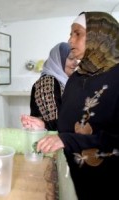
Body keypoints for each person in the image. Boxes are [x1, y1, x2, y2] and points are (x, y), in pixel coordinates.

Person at [30, 12, 119, 199]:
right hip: (77, 180)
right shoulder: (77, 78)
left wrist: (67, 140)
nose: (70, 40)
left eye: (77, 33)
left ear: (98, 36)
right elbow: (68, 124)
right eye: (71, 33)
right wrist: (46, 126)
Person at [21, 42, 77, 131]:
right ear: (59, 60)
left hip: (59, 138)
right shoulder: (47, 82)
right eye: (71, 58)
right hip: (50, 140)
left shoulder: (64, 81)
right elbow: (53, 122)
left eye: (76, 59)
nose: (75, 63)